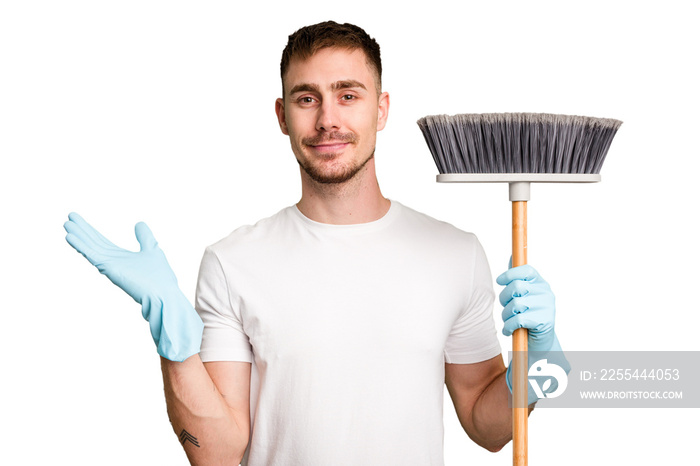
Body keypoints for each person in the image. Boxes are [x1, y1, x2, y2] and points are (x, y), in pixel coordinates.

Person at [64, 21, 566, 466]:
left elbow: (491, 428)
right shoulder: (232, 262)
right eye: (307, 98)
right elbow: (216, 454)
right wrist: (176, 351)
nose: (328, 119)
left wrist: (543, 363)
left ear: (381, 108)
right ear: (282, 115)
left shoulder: (455, 253)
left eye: (348, 95)